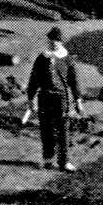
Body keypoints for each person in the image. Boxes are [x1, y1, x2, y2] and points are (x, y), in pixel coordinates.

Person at [25, 26, 84, 171]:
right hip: (44, 97)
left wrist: (78, 100)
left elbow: (74, 81)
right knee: (46, 130)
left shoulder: (68, 59)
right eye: (50, 41)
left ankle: (64, 162)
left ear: (60, 42)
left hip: (61, 99)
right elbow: (34, 79)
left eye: (55, 41)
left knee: (63, 131)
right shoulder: (42, 58)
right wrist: (30, 98)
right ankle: (48, 159)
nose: (52, 43)